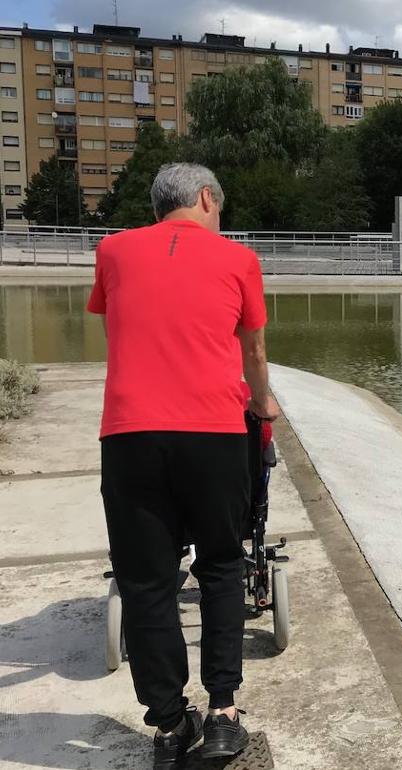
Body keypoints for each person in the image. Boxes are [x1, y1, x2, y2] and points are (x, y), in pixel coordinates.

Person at [87, 162, 279, 770]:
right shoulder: (237, 259)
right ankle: (223, 716)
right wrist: (262, 402)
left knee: (146, 581)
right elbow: (252, 347)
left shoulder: (112, 251)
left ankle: (169, 724)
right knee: (222, 565)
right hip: (214, 433)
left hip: (129, 433)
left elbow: (116, 327)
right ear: (204, 197)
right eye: (218, 207)